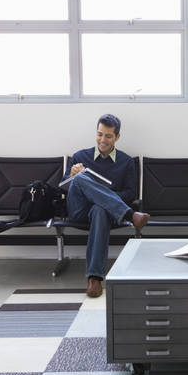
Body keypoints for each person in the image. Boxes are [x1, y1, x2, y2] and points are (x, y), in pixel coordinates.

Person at [64, 114, 149, 298]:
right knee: (79, 178)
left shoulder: (126, 162)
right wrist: (71, 176)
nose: (103, 140)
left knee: (100, 209)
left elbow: (129, 193)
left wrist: (103, 198)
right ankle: (129, 215)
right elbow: (63, 187)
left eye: (108, 136)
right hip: (79, 209)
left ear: (117, 137)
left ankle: (94, 279)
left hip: (105, 212)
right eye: (99, 134)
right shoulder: (80, 156)